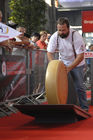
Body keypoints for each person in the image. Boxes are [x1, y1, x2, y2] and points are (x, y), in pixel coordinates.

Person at [47, 17, 89, 111]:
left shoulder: (76, 36)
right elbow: (50, 52)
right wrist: (53, 65)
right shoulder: (55, 36)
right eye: (59, 30)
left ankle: (84, 108)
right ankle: (66, 107)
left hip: (77, 63)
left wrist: (70, 67)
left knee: (79, 86)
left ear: (68, 28)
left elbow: (80, 56)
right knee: (62, 87)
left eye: (63, 30)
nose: (61, 32)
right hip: (62, 63)